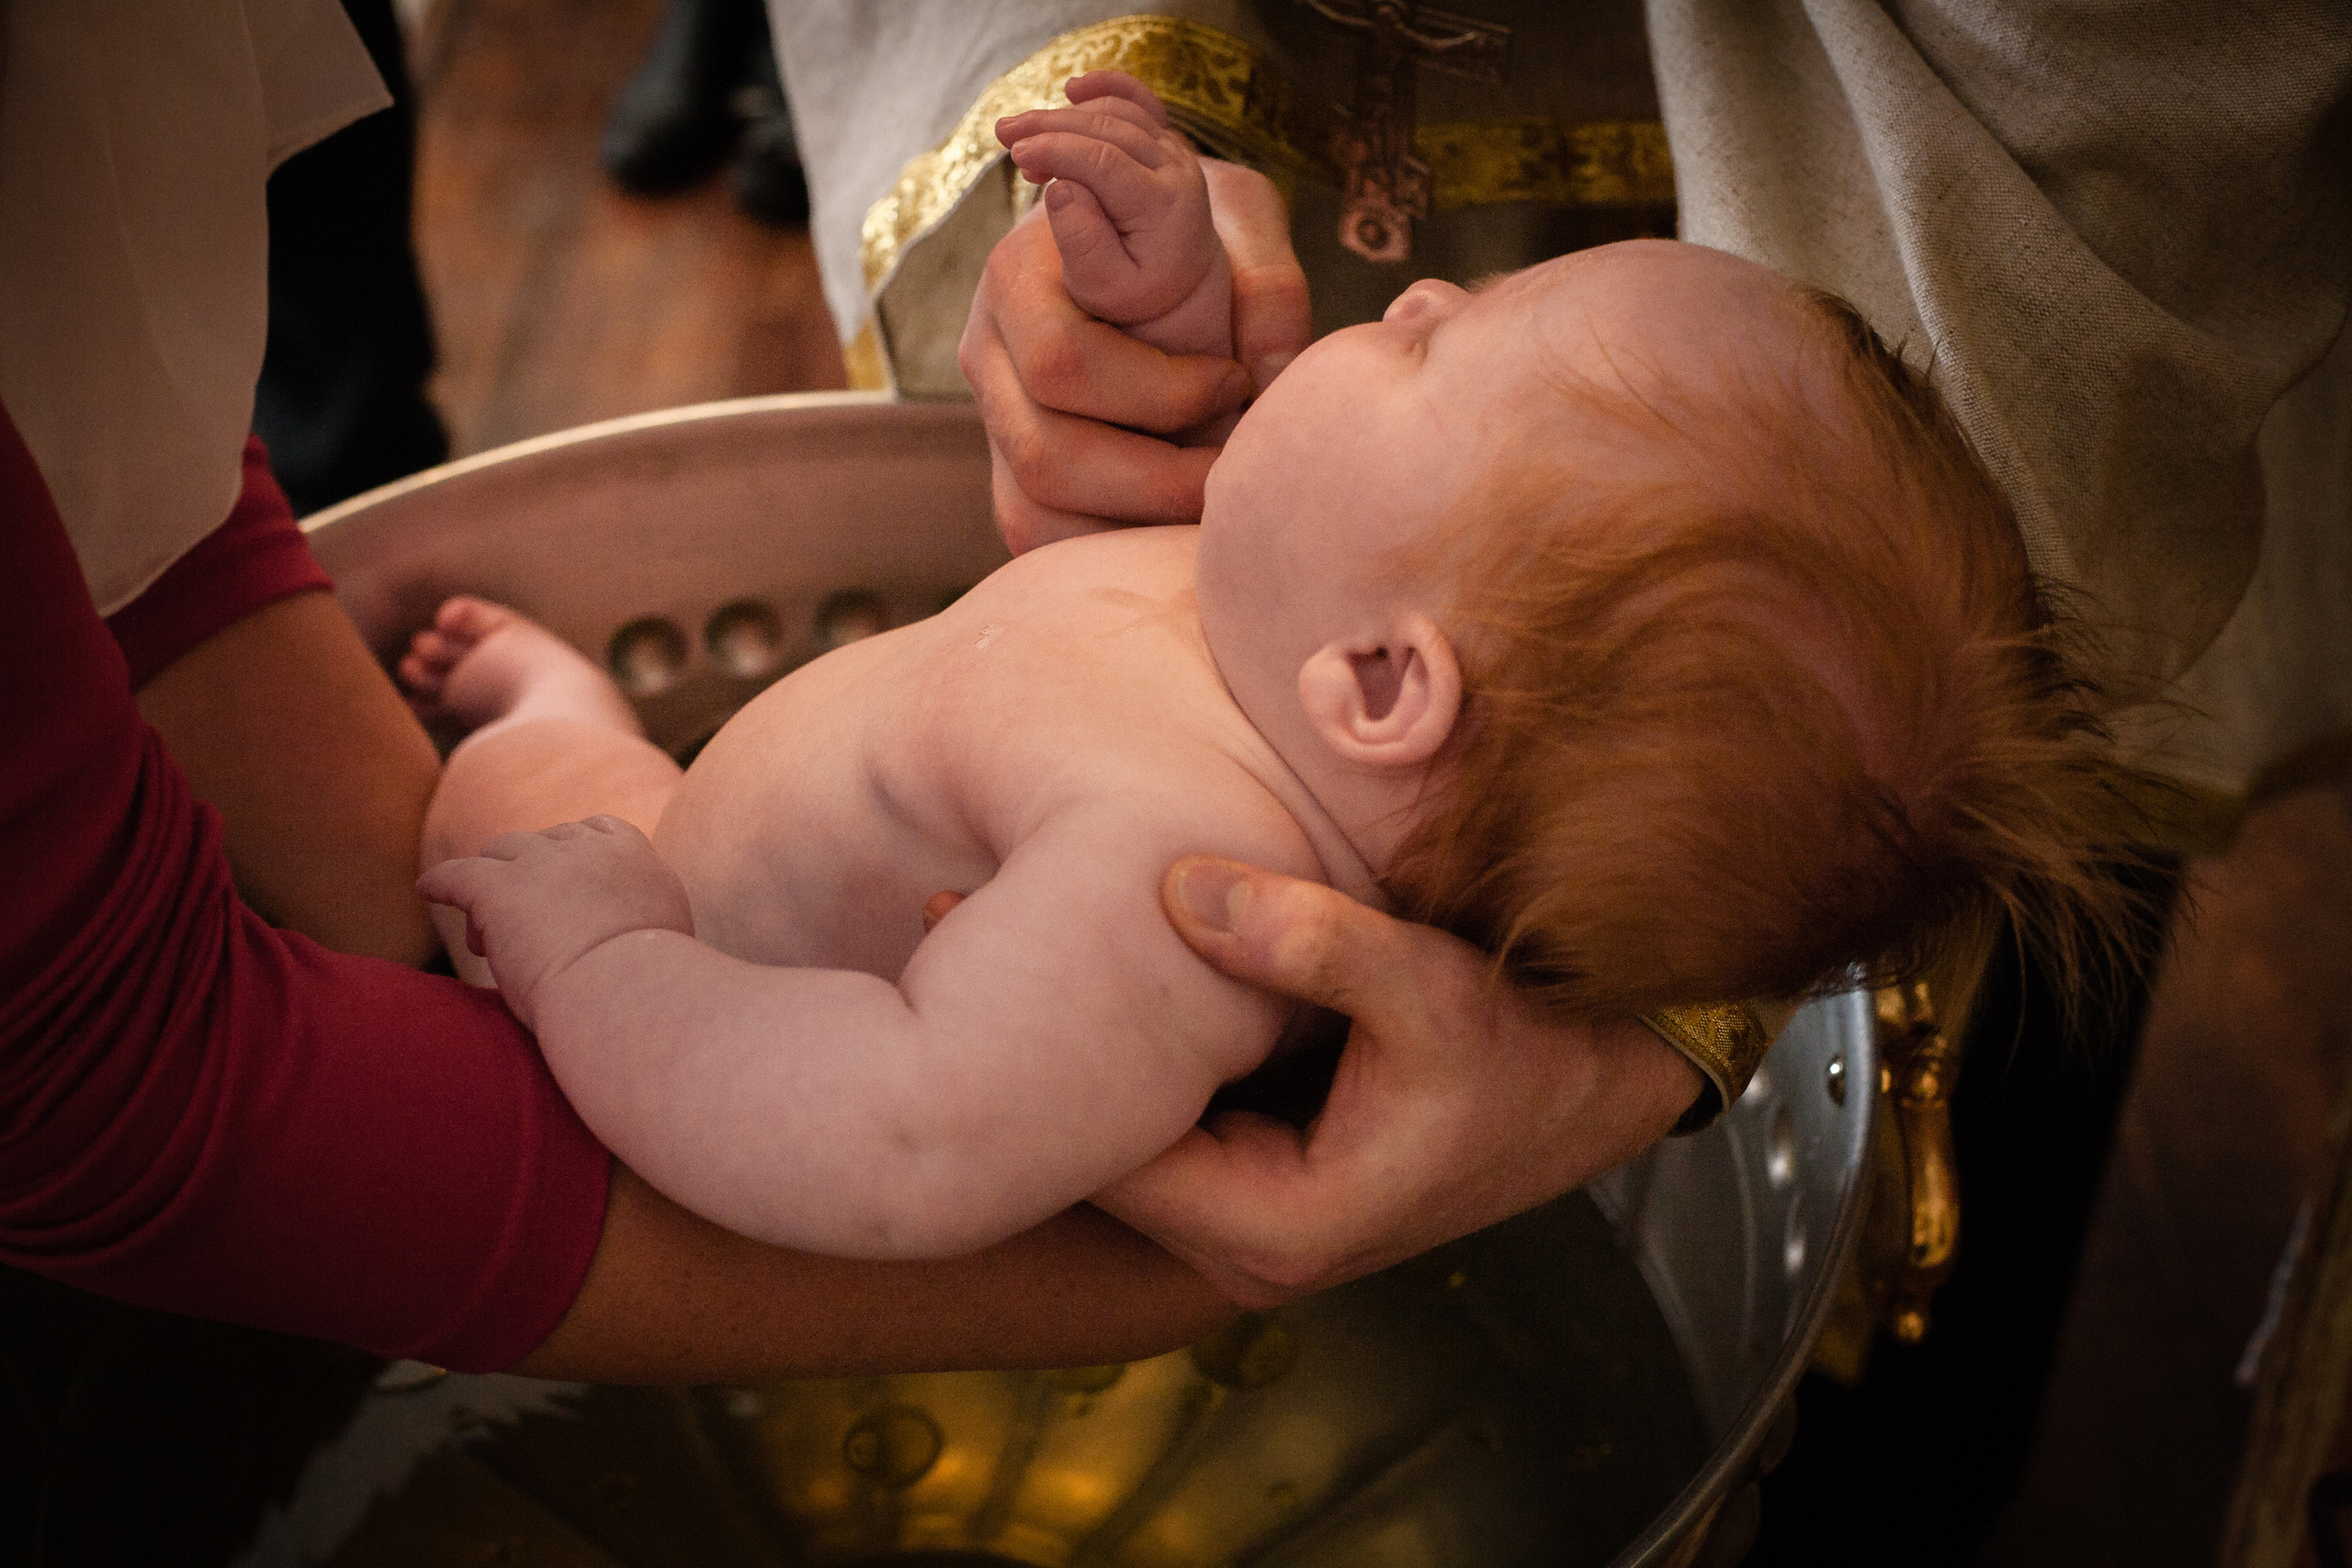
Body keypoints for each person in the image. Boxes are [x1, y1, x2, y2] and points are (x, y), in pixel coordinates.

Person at [401, 73, 2128, 1280]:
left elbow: (893, 1143)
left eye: (1429, 344)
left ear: (1386, 682)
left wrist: (604, 965)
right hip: (698, 859)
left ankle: (561, 755)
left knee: (499, 817)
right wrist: (1149, 299)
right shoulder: (1278, 631)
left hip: (684, 1036)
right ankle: (591, 744)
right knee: (593, 800)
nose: (1426, 283)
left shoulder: (1169, 892)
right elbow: (1185, 511)